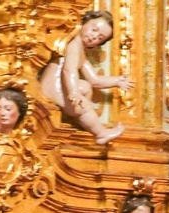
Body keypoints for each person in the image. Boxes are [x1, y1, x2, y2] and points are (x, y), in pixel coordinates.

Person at [40, 10, 131, 145]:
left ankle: (80, 118)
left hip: (60, 84)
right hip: (52, 86)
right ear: (84, 21)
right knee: (83, 106)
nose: (94, 36)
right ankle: (101, 133)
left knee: (86, 86)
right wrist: (74, 92)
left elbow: (94, 80)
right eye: (94, 29)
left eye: (100, 38)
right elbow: (68, 70)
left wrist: (117, 81)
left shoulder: (81, 51)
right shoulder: (73, 44)